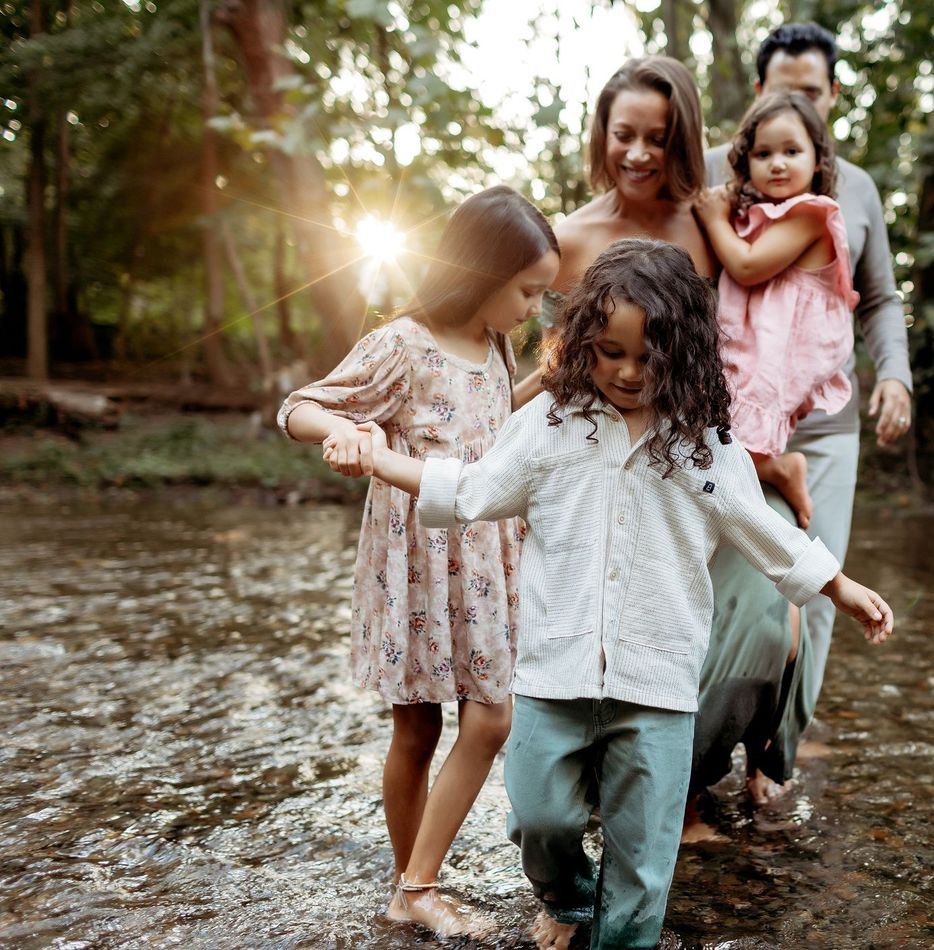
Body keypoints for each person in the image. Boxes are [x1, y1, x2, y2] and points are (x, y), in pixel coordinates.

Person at [327, 239, 895, 950]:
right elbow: (471, 489)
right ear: (583, 344)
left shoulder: (701, 445)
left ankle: (622, 937)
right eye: (610, 352)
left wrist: (836, 583)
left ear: (682, 354)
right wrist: (383, 458)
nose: (628, 372)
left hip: (655, 686)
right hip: (552, 677)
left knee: (644, 863)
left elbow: (760, 531)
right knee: (538, 820)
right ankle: (567, 898)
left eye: (647, 357)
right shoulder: (549, 425)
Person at [278, 186, 560, 936]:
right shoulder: (403, 342)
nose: (534, 308)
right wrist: (344, 433)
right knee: (416, 728)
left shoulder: (497, 343)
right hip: (416, 562)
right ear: (483, 271)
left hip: (483, 551)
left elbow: (489, 427)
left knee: (491, 716)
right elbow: (301, 404)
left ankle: (416, 881)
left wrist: (545, 382)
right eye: (528, 290)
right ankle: (413, 887)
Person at [690, 23, 915, 814]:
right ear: (756, 95)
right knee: (724, 581)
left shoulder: (850, 187)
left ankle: (772, 760)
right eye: (783, 87)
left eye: (813, 93)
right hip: (734, 416)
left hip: (820, 421)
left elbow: (881, 297)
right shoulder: (723, 173)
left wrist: (896, 376)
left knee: (816, 586)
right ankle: (694, 748)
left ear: (832, 100)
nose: (797, 103)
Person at [693, 90, 859, 530]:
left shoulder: (812, 214)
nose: (778, 163)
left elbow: (747, 267)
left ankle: (782, 470)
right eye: (763, 153)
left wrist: (713, 219)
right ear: (746, 162)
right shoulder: (762, 213)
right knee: (713, 441)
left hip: (784, 349)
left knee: (725, 443)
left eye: (792, 151)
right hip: (758, 341)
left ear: (818, 161)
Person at [515, 54, 713, 408]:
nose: (638, 154)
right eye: (624, 135)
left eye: (657, 139)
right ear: (603, 134)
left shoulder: (711, 226)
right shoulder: (567, 240)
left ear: (681, 141)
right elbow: (555, 366)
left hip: (703, 435)